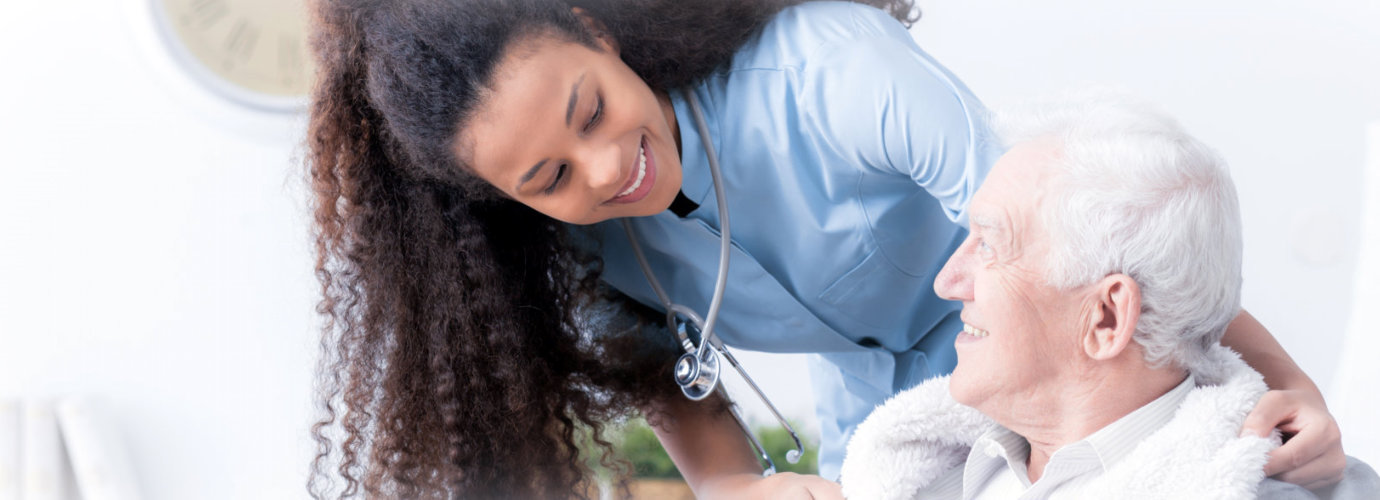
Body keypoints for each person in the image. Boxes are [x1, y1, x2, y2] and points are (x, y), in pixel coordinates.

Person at [304, 0, 1345, 497]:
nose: (605, 167)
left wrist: (1287, 380)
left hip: (1056, 352)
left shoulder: (831, 72)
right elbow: (678, 399)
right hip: (892, 419)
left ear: (599, 32)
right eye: (548, 179)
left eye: (591, 109)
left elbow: (1098, 234)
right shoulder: (587, 259)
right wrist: (746, 491)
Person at [838, 93, 1379, 499]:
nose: (947, 282)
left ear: (1104, 317)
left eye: (991, 244)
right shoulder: (915, 474)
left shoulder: (1280, 490)